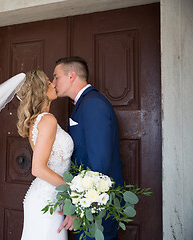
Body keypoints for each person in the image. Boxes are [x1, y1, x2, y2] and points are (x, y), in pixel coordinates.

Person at [53, 56, 124, 240]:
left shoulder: (92, 104)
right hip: (91, 203)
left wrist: (80, 206)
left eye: (56, 77)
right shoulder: (85, 103)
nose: (53, 83)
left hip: (97, 205)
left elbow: (99, 162)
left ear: (71, 76)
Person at [17, 70, 74, 240]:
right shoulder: (47, 120)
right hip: (47, 202)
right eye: (49, 82)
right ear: (40, 90)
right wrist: (73, 191)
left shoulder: (37, 120)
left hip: (49, 196)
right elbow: (38, 169)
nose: (54, 84)